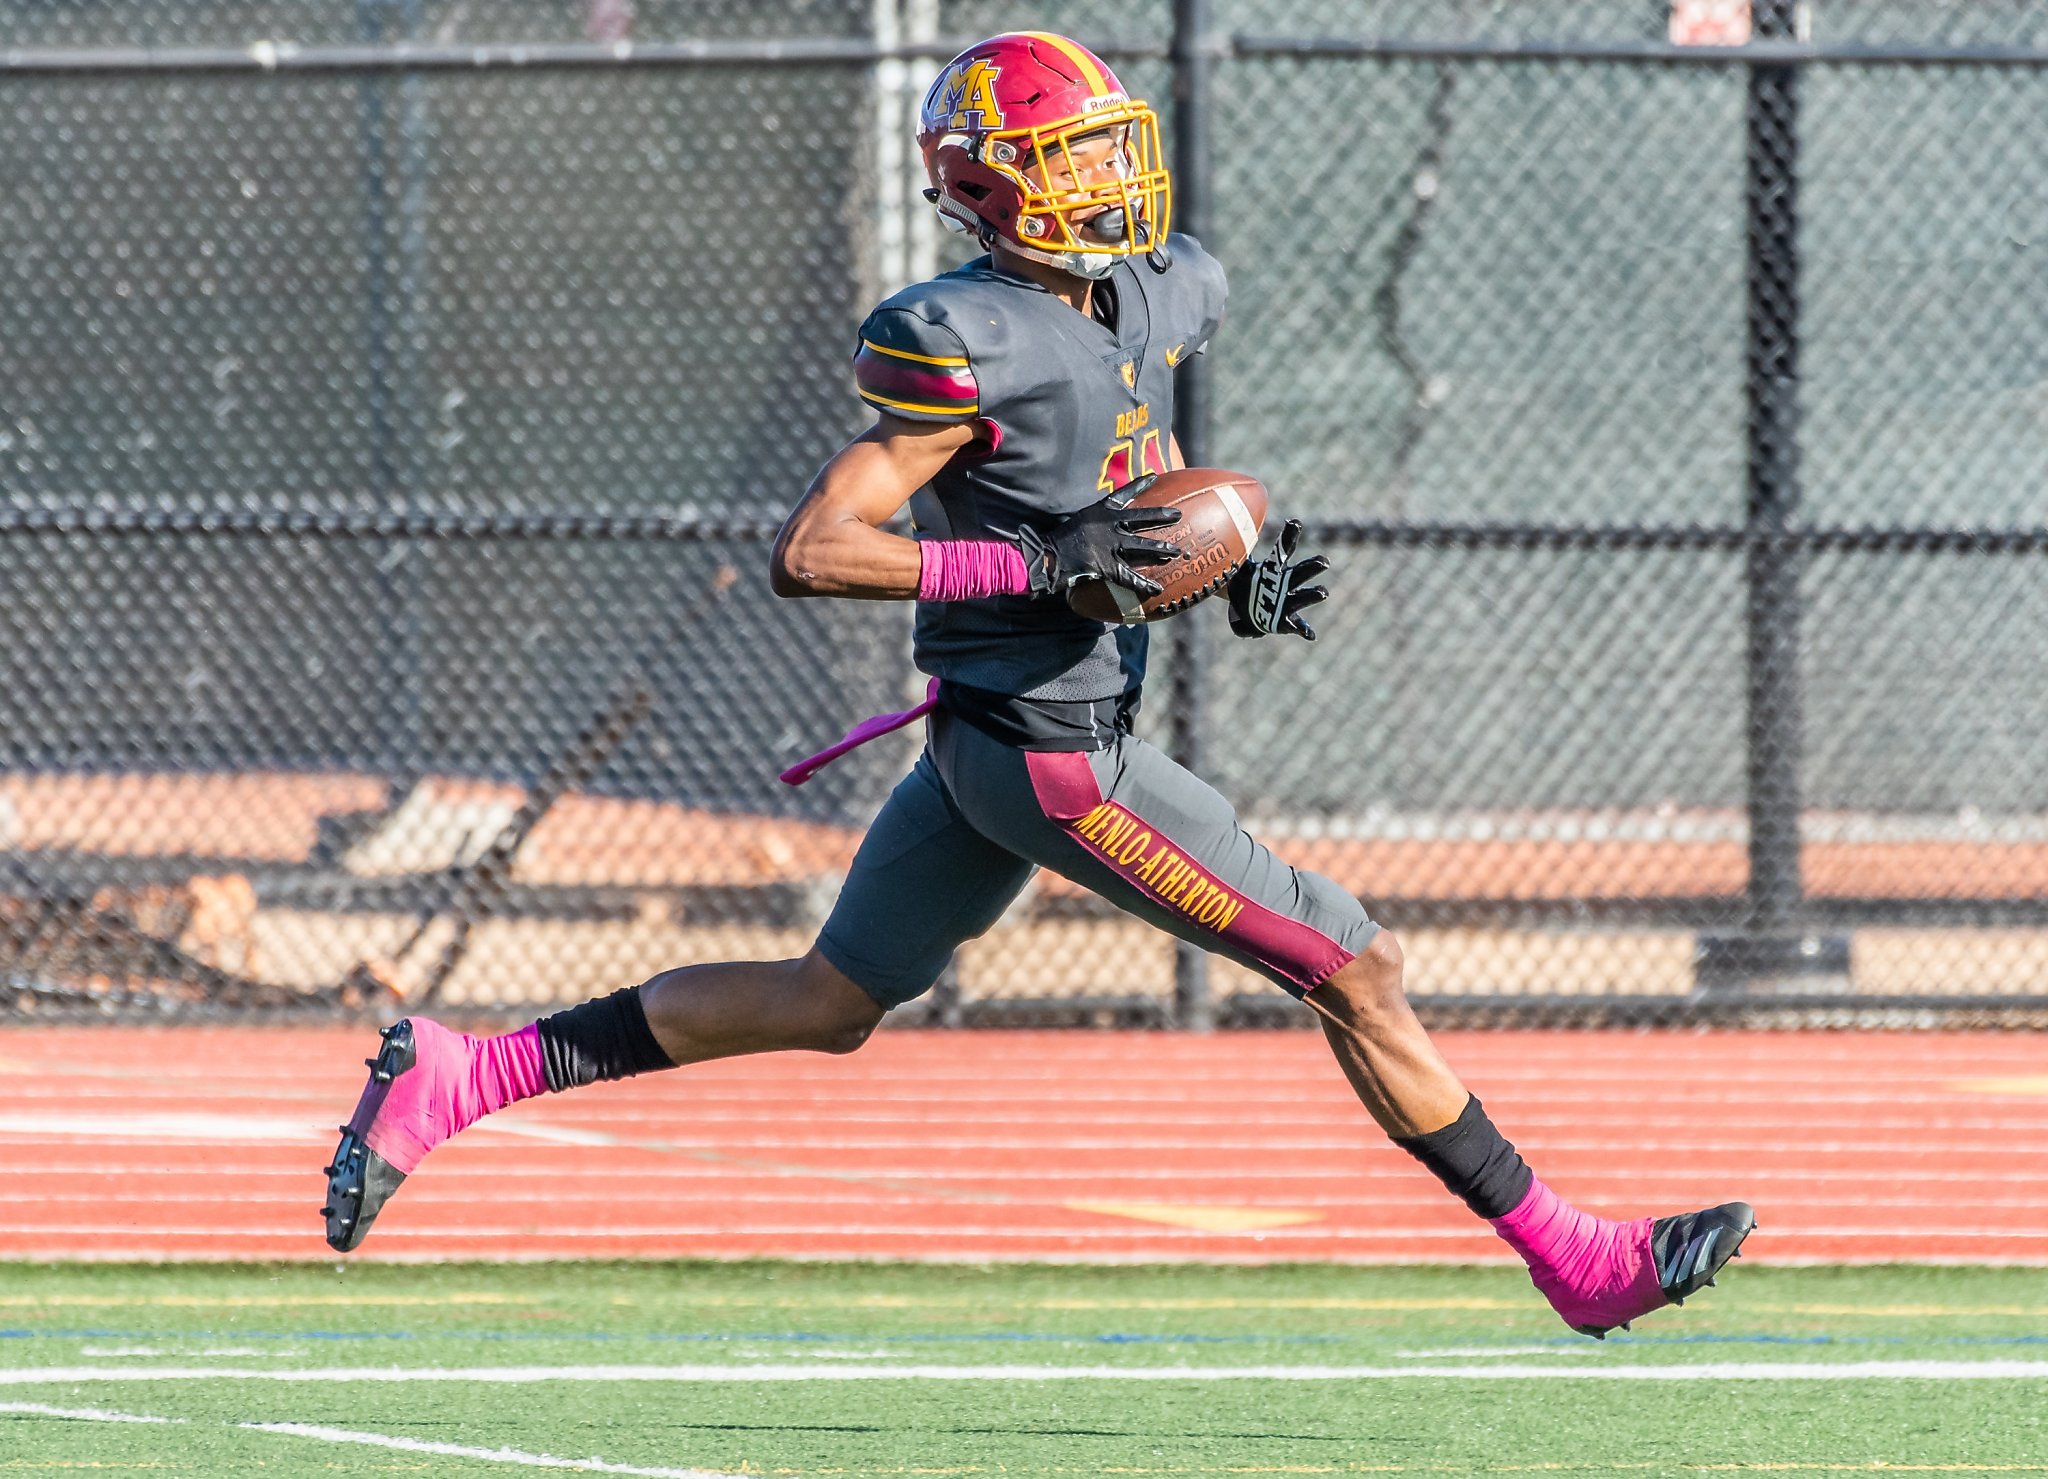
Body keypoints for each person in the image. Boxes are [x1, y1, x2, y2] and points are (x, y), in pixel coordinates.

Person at [323, 31, 1752, 1336]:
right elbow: (818, 550)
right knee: (1353, 964)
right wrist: (1034, 571)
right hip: (1051, 757)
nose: (1111, 175)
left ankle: (465, 1075)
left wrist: (1220, 574)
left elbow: (1122, 480)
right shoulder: (961, 332)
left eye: (1111, 143)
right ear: (986, 187)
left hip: (981, 750)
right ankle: (1579, 1261)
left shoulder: (1154, 289)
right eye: (1072, 156)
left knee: (831, 1000)